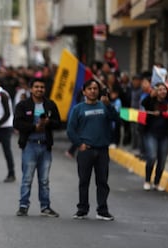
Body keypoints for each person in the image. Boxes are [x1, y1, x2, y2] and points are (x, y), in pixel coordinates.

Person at [67, 79, 119, 221]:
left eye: (95, 88)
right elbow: (71, 130)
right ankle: (82, 209)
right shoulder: (78, 108)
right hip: (86, 151)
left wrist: (109, 106)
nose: (92, 91)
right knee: (84, 181)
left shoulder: (105, 106)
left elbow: (116, 119)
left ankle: (102, 210)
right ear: (84, 91)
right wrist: (79, 144)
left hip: (102, 150)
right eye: (89, 88)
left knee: (102, 182)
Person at [13, 78, 61, 217]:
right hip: (29, 145)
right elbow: (17, 123)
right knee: (27, 178)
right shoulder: (23, 105)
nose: (39, 89)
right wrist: (34, 127)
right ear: (31, 89)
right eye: (36, 87)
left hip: (45, 147)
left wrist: (48, 123)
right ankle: (23, 205)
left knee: (44, 179)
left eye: (42, 87)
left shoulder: (50, 105)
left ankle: (45, 207)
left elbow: (59, 123)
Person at [141, 82, 168, 191]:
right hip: (151, 134)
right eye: (160, 89)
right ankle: (147, 180)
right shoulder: (150, 101)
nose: (163, 91)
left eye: (164, 89)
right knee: (152, 157)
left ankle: (157, 182)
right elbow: (143, 103)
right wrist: (150, 95)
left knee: (162, 160)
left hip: (165, 136)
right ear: (156, 91)